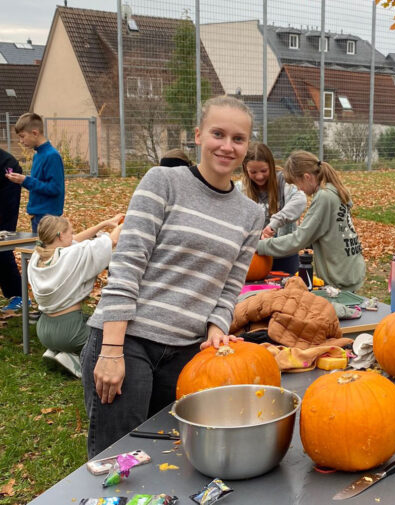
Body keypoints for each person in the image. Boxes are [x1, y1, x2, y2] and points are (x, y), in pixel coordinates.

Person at [82, 95, 263, 458]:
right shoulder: (163, 182)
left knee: (171, 458)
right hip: (129, 341)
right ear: (198, 135)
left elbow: (230, 286)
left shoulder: (251, 214)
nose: (227, 146)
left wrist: (216, 325)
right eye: (218, 134)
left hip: (186, 353)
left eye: (238, 139)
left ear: (247, 146)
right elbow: (128, 265)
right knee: (119, 461)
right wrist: (113, 351)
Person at [27, 214, 123, 378]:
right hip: (70, 332)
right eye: (70, 233)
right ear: (60, 235)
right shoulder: (73, 255)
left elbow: (74, 242)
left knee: (89, 322)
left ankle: (55, 350)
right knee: (112, 340)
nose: (73, 237)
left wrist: (102, 224)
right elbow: (111, 241)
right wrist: (125, 223)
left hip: (43, 329)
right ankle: (74, 357)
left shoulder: (37, 257)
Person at [256, 150, 365, 292]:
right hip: (349, 270)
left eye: (297, 184)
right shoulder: (333, 190)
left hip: (339, 279)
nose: (298, 189)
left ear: (306, 177)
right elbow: (315, 235)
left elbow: (299, 240)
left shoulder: (324, 197)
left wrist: (260, 246)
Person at [236, 142, 307, 274]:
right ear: (245, 169)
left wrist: (274, 223)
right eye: (253, 172)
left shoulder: (285, 181)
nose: (259, 176)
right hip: (255, 256)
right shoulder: (239, 189)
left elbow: (300, 199)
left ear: (271, 165)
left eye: (264, 171)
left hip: (285, 255)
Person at [5, 113, 65, 233]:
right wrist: (22, 181)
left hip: (48, 218)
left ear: (35, 133)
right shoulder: (38, 155)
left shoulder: (51, 156)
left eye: (22, 136)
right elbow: (38, 184)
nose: (21, 141)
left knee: (45, 251)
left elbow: (55, 188)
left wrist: (25, 180)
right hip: (38, 215)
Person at [0, 148, 24, 311]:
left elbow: (8, 206)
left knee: (3, 247)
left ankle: (18, 295)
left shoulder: (8, 164)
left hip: (4, 204)